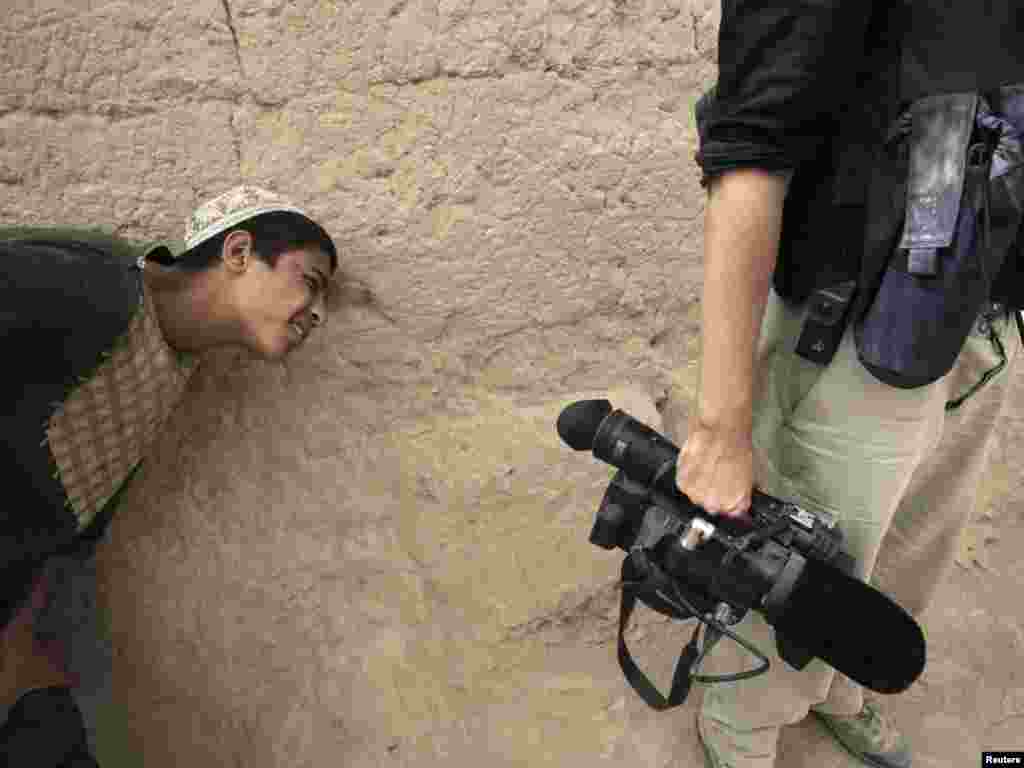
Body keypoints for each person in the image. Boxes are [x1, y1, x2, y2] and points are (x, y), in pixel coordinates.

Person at [674, 2, 1023, 767]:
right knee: (799, 586)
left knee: (907, 553)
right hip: (854, 330)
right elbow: (748, 148)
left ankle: (840, 691)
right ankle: (741, 732)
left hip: (981, 319)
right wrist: (722, 428)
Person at [0, 185, 338, 765]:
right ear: (237, 251)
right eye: (311, 281)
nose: (319, 313)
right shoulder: (96, 287)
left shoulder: (167, 367)